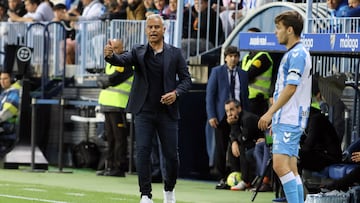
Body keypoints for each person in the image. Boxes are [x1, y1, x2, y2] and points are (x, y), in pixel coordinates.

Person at [104, 14, 192, 203]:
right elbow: (121, 60)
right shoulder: (138, 51)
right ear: (146, 30)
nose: (153, 30)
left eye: (156, 27)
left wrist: (175, 93)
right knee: (142, 152)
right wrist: (111, 56)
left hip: (167, 113)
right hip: (143, 111)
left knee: (171, 157)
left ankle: (169, 190)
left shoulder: (175, 53)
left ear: (163, 30)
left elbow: (186, 80)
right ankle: (146, 195)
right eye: (150, 27)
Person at [258, 10, 312, 203]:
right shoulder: (295, 52)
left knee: (280, 166)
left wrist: (270, 113)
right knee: (291, 168)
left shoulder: (297, 54)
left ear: (290, 30)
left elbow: (290, 88)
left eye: (278, 28)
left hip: (291, 118)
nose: (275, 32)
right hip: (288, 118)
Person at [206, 45, 249, 189]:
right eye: (230, 56)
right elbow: (210, 95)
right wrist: (212, 115)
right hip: (221, 115)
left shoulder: (243, 74)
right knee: (221, 147)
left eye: (236, 56)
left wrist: (246, 114)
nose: (233, 59)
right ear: (225, 57)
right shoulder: (217, 72)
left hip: (239, 115)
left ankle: (238, 175)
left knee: (238, 145)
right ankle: (221, 177)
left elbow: (245, 96)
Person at [96, 39, 133, 177]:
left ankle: (119, 167)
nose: (115, 50)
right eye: (112, 48)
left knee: (119, 138)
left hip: (118, 105)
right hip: (107, 104)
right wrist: (105, 80)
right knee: (110, 137)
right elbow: (102, 78)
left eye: (117, 48)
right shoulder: (110, 62)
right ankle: (109, 166)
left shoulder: (125, 62)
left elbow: (114, 78)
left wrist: (105, 80)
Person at [225, 99, 264, 191]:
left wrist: (233, 126)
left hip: (263, 144)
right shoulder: (236, 119)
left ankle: (245, 181)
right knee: (233, 147)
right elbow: (235, 136)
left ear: (239, 108)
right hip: (252, 144)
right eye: (227, 111)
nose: (229, 114)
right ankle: (236, 175)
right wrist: (234, 141)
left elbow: (244, 139)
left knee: (243, 148)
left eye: (232, 109)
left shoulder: (247, 118)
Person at [241, 27, 273, 118]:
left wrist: (246, 77)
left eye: (251, 36)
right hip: (246, 98)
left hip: (258, 100)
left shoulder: (263, 56)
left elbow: (247, 75)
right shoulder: (246, 57)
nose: (248, 39)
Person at [0, 72, 20, 157]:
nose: (2, 81)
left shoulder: (14, 93)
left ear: (11, 79)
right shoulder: (4, 93)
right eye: (1, 79)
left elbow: (6, 112)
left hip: (8, 129)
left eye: (5, 79)